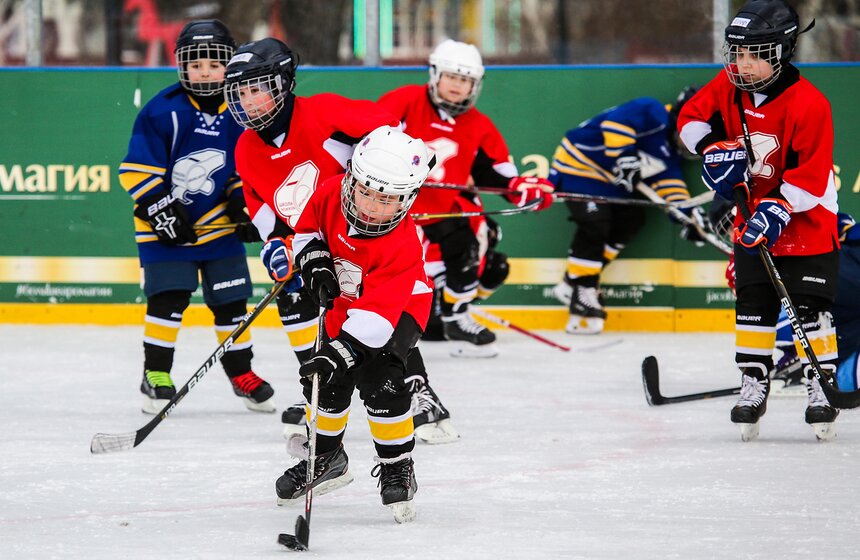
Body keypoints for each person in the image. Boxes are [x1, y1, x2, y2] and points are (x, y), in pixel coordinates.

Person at [224, 38, 457, 444]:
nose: (249, 101)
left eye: (257, 88)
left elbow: (392, 132)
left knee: (381, 310)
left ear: (284, 83)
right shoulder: (245, 147)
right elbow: (258, 201)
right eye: (240, 93)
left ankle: (418, 392)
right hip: (314, 243)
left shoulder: (324, 112)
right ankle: (318, 389)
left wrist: (376, 173)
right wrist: (274, 242)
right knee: (299, 301)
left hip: (365, 236)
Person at [677, 0, 839, 441]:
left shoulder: (810, 104)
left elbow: (812, 174)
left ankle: (821, 385)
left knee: (810, 308)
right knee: (753, 304)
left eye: (752, 54)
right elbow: (690, 118)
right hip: (752, 216)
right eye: (736, 53)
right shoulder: (729, 87)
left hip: (806, 219)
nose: (740, 64)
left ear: (781, 52)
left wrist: (779, 207)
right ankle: (754, 383)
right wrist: (712, 148)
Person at [275, 125, 433, 524]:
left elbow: (377, 323)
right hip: (347, 304)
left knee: (382, 383)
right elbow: (307, 230)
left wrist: (339, 354)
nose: (371, 207)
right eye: (365, 191)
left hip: (397, 312)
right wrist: (313, 261)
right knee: (326, 384)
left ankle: (397, 466)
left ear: (407, 199)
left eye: (387, 199)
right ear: (351, 178)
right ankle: (326, 457)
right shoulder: (329, 192)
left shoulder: (402, 245)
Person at [118, 20, 272, 415]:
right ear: (181, 66)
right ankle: (155, 374)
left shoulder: (240, 111)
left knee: (232, 302)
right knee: (167, 300)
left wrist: (243, 201)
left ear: (229, 65)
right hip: (163, 228)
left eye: (214, 64)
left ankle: (242, 372)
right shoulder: (162, 111)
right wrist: (159, 209)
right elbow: (136, 171)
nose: (204, 72)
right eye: (195, 64)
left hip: (219, 228)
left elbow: (245, 167)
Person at [377, 39, 555, 359]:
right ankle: (382, 320)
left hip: (441, 210)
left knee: (471, 244)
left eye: (465, 80)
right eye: (451, 77)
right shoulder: (404, 102)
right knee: (394, 266)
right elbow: (373, 143)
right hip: (394, 208)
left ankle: (456, 318)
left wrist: (523, 191)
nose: (458, 86)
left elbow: (497, 175)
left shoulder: (479, 125)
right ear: (434, 75)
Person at [546, 87, 708, 335]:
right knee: (594, 221)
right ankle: (584, 288)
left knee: (631, 219)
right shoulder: (652, 111)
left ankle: (573, 282)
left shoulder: (670, 157)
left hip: (610, 183)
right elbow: (616, 124)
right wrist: (624, 156)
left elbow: (670, 187)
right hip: (579, 166)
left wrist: (687, 215)